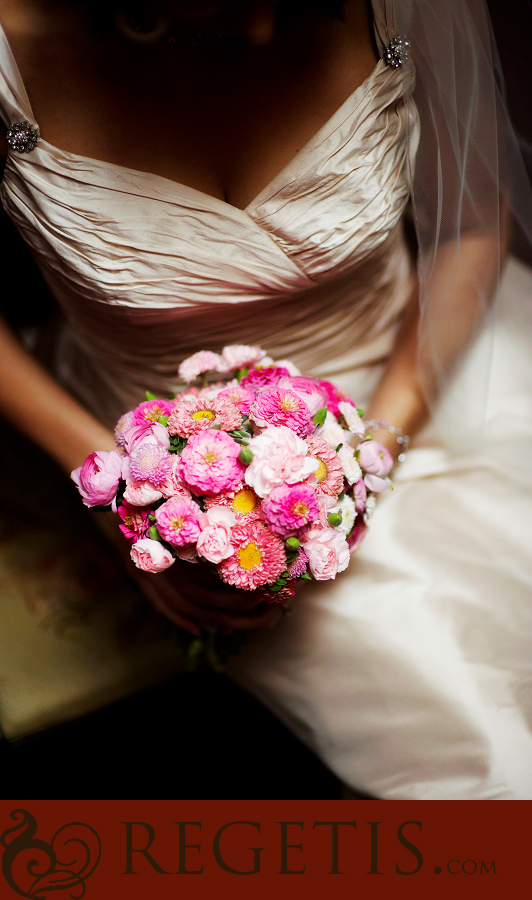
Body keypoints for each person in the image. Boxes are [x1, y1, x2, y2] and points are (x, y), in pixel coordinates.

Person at [0, 0, 531, 799]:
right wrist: (121, 495)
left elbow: (471, 231)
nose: (257, 29)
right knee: (481, 754)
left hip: (428, 367)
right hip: (166, 466)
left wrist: (377, 448)